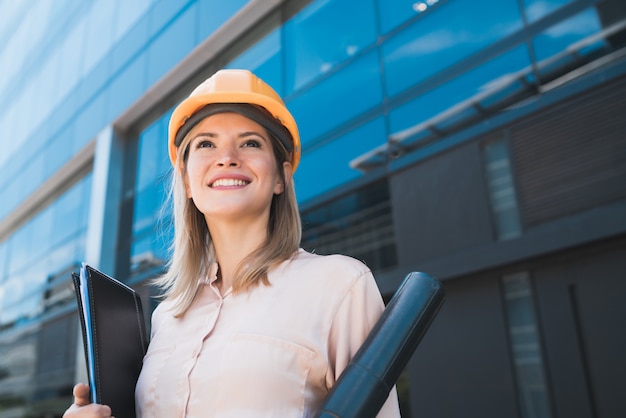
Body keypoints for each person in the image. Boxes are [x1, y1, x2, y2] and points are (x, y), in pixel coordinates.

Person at [64, 69, 401, 417]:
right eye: (206, 144)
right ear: (188, 181)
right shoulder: (167, 316)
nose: (227, 157)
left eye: (250, 142)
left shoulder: (339, 284)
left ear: (281, 178)